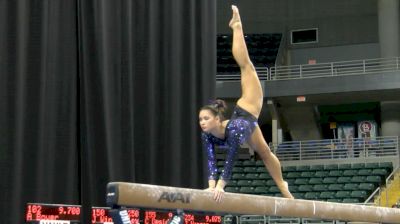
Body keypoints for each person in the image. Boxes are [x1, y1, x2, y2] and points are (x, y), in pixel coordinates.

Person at [199, 5, 293, 202]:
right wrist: (210, 187)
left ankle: (237, 26)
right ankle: (282, 185)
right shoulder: (207, 135)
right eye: (200, 119)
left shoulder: (233, 132)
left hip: (247, 110)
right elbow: (210, 161)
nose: (202, 122)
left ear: (217, 119)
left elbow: (231, 156)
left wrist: (220, 186)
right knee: (265, 153)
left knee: (247, 66)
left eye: (206, 118)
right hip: (246, 124)